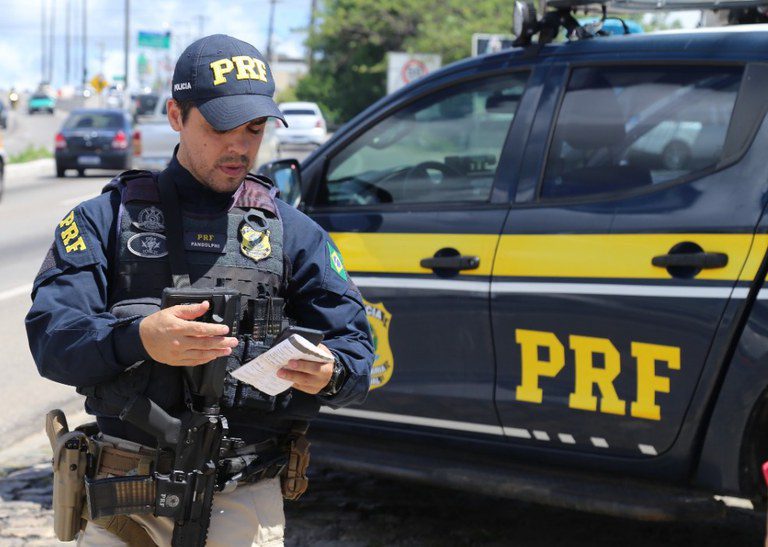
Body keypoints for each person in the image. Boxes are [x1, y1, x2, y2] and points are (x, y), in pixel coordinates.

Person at [26, 34, 373, 546]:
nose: (239, 147)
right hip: (126, 499)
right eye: (218, 127)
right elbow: (52, 340)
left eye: (254, 129)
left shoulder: (295, 235)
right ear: (175, 115)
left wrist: (329, 372)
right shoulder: (101, 221)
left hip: (244, 500)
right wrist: (139, 338)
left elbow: (357, 356)